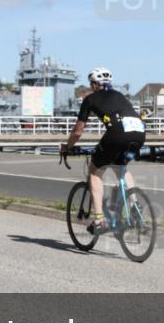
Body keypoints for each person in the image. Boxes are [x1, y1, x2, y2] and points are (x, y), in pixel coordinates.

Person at [60, 68, 146, 234]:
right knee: (121, 166)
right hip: (139, 133)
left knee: (94, 171)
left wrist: (68, 146)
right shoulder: (120, 95)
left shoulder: (90, 99)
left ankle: (99, 220)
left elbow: (77, 132)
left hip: (118, 133)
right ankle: (135, 207)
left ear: (94, 84)